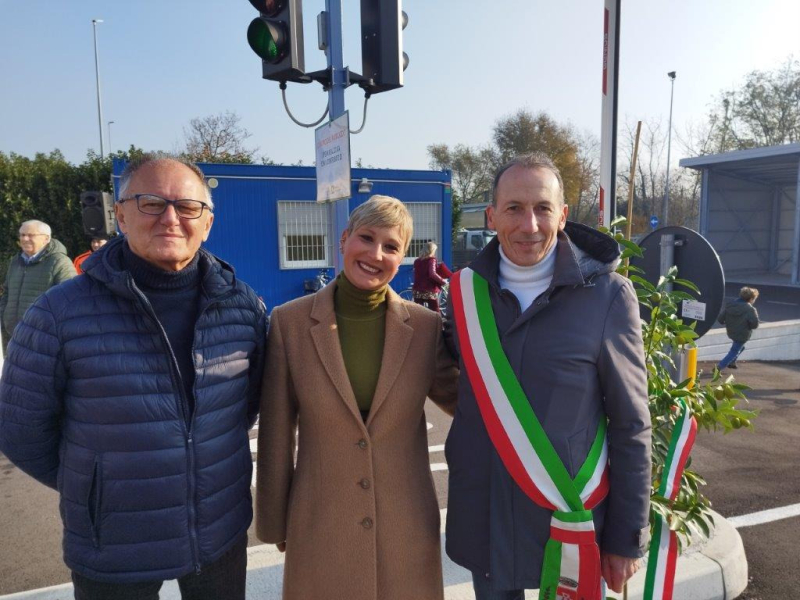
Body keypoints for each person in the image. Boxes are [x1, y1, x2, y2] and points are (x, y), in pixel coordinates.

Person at [0, 154, 267, 600]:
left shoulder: (242, 304)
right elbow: (20, 427)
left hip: (218, 529)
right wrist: (95, 489)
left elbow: (246, 403)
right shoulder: (59, 313)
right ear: (120, 215)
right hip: (114, 543)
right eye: (150, 203)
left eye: (187, 206)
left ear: (207, 222)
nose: (170, 218)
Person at [444, 153, 651, 599]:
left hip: (568, 522)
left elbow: (632, 424)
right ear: (491, 215)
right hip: (485, 521)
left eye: (542, 208)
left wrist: (626, 536)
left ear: (562, 215)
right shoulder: (462, 293)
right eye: (514, 208)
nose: (529, 225)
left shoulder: (608, 295)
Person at [255, 195, 458, 600]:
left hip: (406, 523)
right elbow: (277, 433)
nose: (375, 254)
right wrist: (276, 523)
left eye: (391, 246)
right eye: (366, 238)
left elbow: (471, 406)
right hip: (320, 521)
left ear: (402, 258)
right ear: (343, 240)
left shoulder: (425, 328)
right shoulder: (289, 323)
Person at [0, 219, 75, 350]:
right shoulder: (15, 261)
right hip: (14, 335)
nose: (25, 238)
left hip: (44, 337)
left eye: (30, 235)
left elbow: (71, 298)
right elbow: (7, 292)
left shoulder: (59, 262)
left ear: (46, 239)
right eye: (22, 235)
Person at [717, 286, 760, 370]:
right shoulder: (750, 309)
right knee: (734, 351)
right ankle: (719, 367)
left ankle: (732, 362)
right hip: (742, 334)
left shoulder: (730, 305)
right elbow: (755, 325)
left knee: (740, 347)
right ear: (751, 299)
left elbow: (720, 319)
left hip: (731, 332)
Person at [412, 240, 453, 312]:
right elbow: (432, 274)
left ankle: (419, 323)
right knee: (435, 311)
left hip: (417, 289)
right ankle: (438, 323)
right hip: (429, 290)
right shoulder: (431, 260)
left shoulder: (417, 261)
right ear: (432, 250)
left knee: (418, 312)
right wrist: (443, 281)